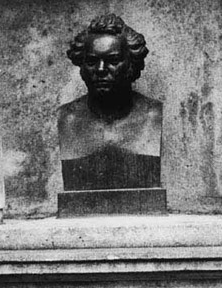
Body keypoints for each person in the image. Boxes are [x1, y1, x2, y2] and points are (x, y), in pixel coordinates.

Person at [58, 14, 162, 191]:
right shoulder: (67, 118)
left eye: (113, 61)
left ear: (132, 65)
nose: (100, 70)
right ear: (81, 67)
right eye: (91, 61)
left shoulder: (153, 115)